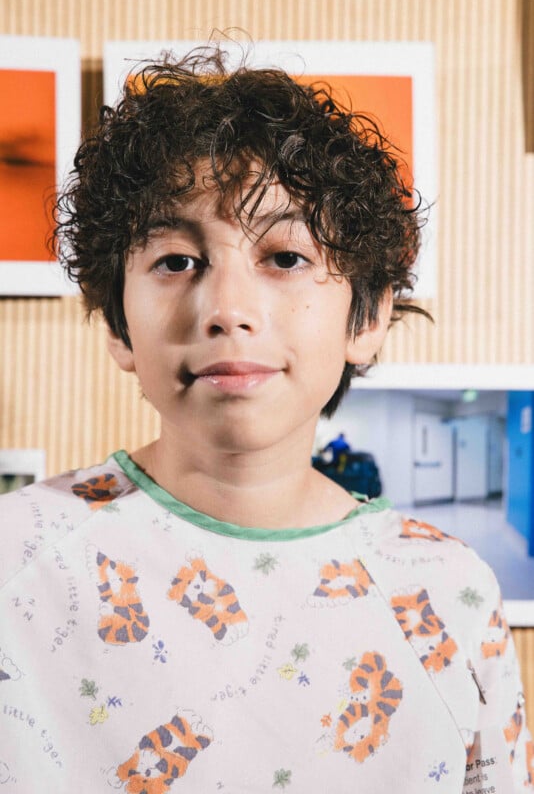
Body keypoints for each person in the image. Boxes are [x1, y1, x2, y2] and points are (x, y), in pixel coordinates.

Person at [1, 46, 532, 793]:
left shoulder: (451, 593)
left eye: (284, 257)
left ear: (369, 315)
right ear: (118, 325)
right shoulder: (15, 562)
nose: (227, 311)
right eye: (177, 261)